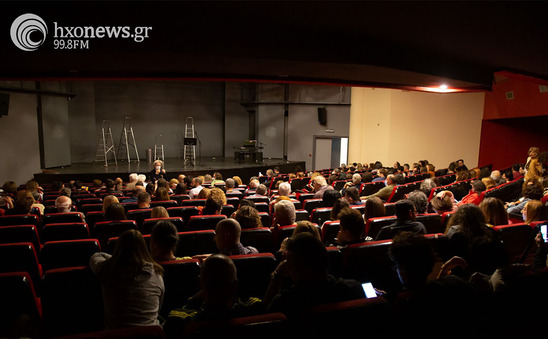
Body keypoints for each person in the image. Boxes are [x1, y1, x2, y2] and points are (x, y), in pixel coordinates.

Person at [264, 233, 365, 319]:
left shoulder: (285, 303)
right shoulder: (354, 288)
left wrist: (276, 277)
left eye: (291, 265)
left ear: (298, 270)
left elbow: (265, 318)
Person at [163, 254, 263, 339]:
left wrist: (193, 300)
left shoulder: (179, 322)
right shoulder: (254, 311)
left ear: (200, 283)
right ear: (235, 285)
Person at [90, 229, 164, 329]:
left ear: (118, 249)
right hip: (151, 334)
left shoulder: (107, 271)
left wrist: (118, 259)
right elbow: (157, 309)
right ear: (144, 248)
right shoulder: (156, 275)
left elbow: (96, 256)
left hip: (115, 335)